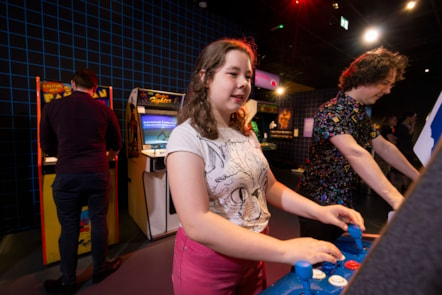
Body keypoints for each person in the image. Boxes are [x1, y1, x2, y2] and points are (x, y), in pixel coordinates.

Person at [165, 38, 365, 295]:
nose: (243, 84)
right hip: (210, 263)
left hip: (254, 251)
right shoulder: (186, 136)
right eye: (233, 74)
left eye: (247, 76)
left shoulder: (245, 133)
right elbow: (197, 222)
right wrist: (285, 249)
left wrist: (321, 212)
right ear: (205, 77)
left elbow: (271, 187)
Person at [296, 47, 421, 242]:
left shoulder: (360, 115)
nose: (388, 90)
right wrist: (396, 199)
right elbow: (355, 153)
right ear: (366, 77)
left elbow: (384, 147)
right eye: (386, 83)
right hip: (317, 203)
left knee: (335, 256)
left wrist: (418, 176)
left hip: (342, 202)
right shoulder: (331, 111)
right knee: (315, 262)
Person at [40, 69, 122, 294]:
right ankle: (99, 268)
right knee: (98, 221)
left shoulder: (52, 108)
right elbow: (116, 144)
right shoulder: (105, 110)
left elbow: (46, 146)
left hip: (66, 176)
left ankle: (67, 280)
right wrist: (106, 158)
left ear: (72, 84)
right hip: (97, 173)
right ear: (95, 89)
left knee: (69, 227)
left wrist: (68, 155)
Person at [390, 111, 421, 193]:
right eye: (414, 117)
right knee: (400, 166)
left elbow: (410, 136)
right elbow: (408, 135)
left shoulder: (408, 125)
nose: (415, 119)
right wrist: (413, 126)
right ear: (408, 117)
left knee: (404, 166)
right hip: (402, 148)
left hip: (407, 148)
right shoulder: (401, 127)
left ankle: (404, 185)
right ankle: (400, 185)